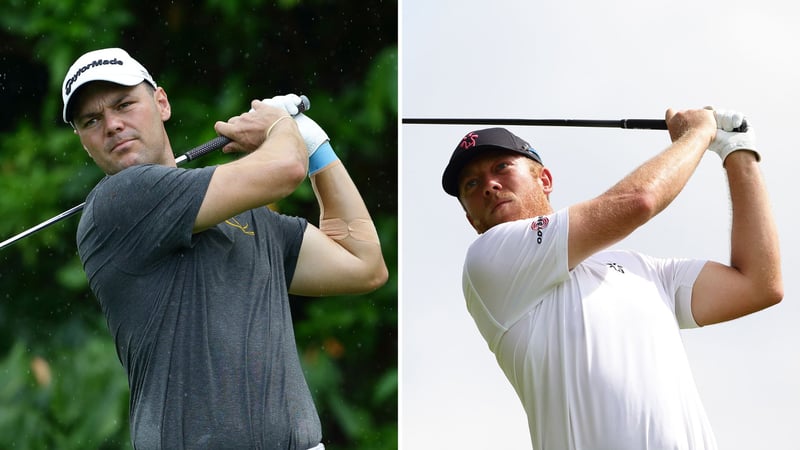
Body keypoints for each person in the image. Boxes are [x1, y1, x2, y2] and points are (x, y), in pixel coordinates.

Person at [62, 47, 388, 449]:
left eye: (124, 104)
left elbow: (363, 264)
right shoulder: (117, 203)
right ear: (83, 141)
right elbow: (285, 169)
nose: (112, 125)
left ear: (161, 103)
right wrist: (281, 127)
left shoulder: (248, 216)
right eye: (91, 120)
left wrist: (316, 144)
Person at [441, 109, 782, 450]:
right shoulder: (488, 260)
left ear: (544, 179)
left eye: (501, 167)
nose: (489, 186)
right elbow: (639, 201)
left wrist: (738, 152)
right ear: (472, 221)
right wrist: (697, 134)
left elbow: (758, 285)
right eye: (472, 184)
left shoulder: (641, 269)